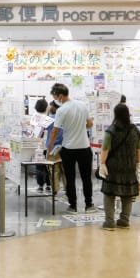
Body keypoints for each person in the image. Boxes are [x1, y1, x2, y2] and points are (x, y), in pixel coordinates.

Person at [47, 83, 95, 213]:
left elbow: (55, 131)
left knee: (70, 178)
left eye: (56, 97)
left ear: (61, 96)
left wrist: (50, 146)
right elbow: (90, 123)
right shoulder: (82, 105)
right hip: (85, 147)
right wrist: (80, 128)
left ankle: (73, 205)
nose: (56, 100)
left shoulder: (61, 110)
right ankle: (89, 205)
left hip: (69, 149)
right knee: (86, 178)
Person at [99, 103, 140, 230]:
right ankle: (124, 220)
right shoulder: (135, 130)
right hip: (129, 167)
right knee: (127, 194)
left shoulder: (111, 130)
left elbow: (105, 149)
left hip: (113, 166)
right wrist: (138, 164)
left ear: (115, 114)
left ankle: (109, 222)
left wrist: (102, 163)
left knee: (109, 193)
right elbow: (139, 150)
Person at [33, 98, 51, 192]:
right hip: (48, 145)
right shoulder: (49, 118)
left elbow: (35, 134)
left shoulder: (35, 118)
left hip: (38, 146)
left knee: (39, 166)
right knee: (48, 166)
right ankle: (49, 184)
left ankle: (40, 186)